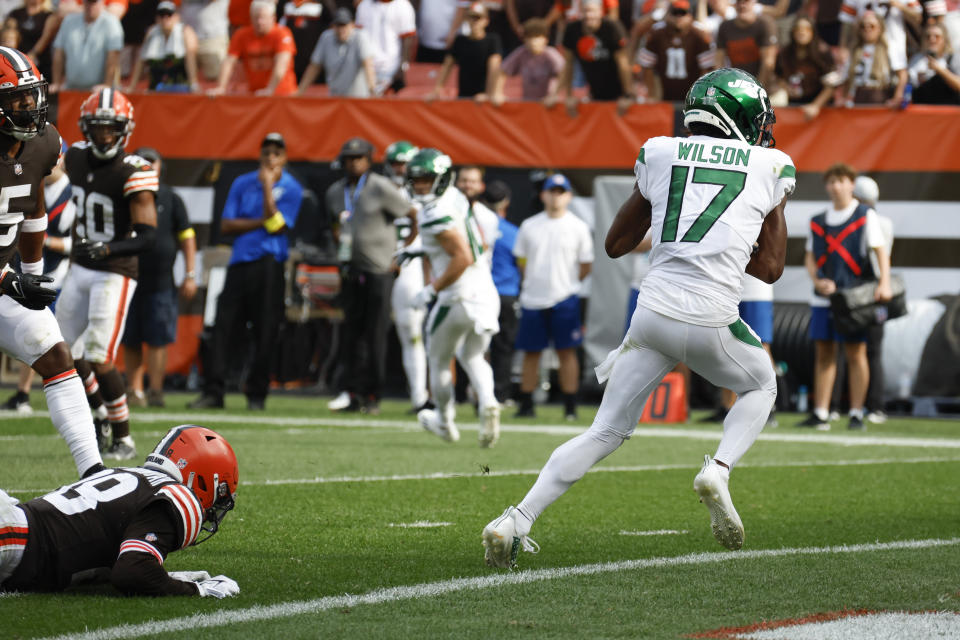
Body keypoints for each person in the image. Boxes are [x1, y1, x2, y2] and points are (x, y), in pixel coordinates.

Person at [482, 68, 795, 568]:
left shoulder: (660, 152)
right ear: (737, 117)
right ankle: (718, 468)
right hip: (713, 317)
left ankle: (516, 519)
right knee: (762, 386)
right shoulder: (771, 166)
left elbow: (616, 244)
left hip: (650, 316)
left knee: (604, 431)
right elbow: (771, 269)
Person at [0, 47, 106, 481]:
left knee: (56, 353)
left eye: (32, 96)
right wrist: (9, 280)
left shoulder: (43, 143)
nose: (30, 107)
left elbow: (33, 208)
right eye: (18, 100)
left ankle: (95, 472)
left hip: (4, 279)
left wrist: (30, 272)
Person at [0, 425, 241, 598]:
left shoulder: (129, 474)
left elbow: (102, 552)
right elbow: (131, 572)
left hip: (14, 523)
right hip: (15, 538)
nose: (213, 511)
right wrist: (198, 590)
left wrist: (163, 576)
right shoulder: (178, 496)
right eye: (218, 497)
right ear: (201, 480)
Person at [57, 88, 158, 463]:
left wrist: (109, 249)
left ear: (124, 130)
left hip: (115, 271)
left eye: (110, 129)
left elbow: (148, 237)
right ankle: (98, 411)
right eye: (97, 129)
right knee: (63, 351)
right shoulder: (76, 158)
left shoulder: (135, 171)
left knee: (100, 356)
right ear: (85, 129)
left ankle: (124, 436)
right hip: (82, 266)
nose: (103, 136)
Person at [189, 132, 302, 411]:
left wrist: (266, 188)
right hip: (240, 261)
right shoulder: (241, 183)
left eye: (277, 152)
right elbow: (226, 225)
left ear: (284, 158)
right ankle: (213, 391)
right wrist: (261, 221)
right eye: (267, 151)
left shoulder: (291, 187)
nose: (271, 157)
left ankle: (256, 394)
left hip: (269, 264)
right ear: (260, 154)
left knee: (266, 330)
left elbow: (278, 226)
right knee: (222, 327)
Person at [403, 148, 501, 448]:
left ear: (442, 178)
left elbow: (462, 256)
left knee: (438, 359)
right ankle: (488, 402)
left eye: (427, 179)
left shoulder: (432, 213)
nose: (420, 185)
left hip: (456, 297)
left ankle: (444, 422)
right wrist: (421, 249)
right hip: (485, 292)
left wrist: (431, 289)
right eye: (416, 179)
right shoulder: (457, 198)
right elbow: (479, 244)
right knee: (473, 356)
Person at [798, 163, 892, 431]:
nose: (835, 187)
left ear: (851, 184)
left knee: (856, 352)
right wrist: (817, 280)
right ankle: (821, 412)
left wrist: (884, 283)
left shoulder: (864, 215)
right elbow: (809, 257)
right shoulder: (817, 220)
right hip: (822, 298)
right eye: (831, 182)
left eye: (840, 181)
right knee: (824, 352)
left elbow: (880, 251)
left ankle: (856, 412)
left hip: (854, 298)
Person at [325, 137, 415, 414]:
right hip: (351, 270)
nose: (353, 163)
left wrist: (401, 253)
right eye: (349, 159)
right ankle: (351, 392)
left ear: (368, 160)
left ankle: (373, 394)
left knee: (375, 335)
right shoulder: (335, 191)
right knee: (351, 334)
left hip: (379, 270)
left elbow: (413, 216)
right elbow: (333, 224)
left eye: (359, 158)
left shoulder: (380, 187)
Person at [2, 139, 76, 415]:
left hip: (54, 272)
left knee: (43, 336)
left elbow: (78, 244)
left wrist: (48, 242)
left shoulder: (73, 195)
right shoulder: (27, 178)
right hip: (18, 265)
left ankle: (24, 392)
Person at [512, 173, 593, 421]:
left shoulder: (577, 227)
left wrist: (567, 285)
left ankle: (570, 407)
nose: (556, 196)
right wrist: (533, 281)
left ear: (568, 196)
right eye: (552, 191)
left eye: (561, 192)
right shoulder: (529, 225)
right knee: (531, 352)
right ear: (543, 195)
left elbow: (585, 264)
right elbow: (521, 260)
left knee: (567, 352)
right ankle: (526, 404)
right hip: (533, 298)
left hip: (564, 298)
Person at [121, 147, 197, 409]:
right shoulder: (125, 193)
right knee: (130, 338)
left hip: (161, 281)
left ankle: (155, 390)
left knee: (157, 339)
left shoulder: (171, 198)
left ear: (160, 166)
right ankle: (134, 390)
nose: (148, 166)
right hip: (128, 278)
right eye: (143, 162)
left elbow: (187, 237)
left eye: (152, 162)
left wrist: (190, 274)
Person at [384, 140, 430, 412]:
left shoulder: (424, 194)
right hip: (381, 264)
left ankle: (419, 397)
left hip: (410, 266)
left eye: (405, 163)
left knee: (412, 330)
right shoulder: (381, 188)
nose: (400, 168)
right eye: (396, 163)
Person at [853, 174, 893, 424]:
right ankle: (875, 406)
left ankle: (839, 405)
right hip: (879, 292)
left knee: (853, 349)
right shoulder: (886, 222)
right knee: (873, 351)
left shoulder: (862, 220)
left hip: (862, 292)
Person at [547, 0, 634, 114]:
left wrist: (628, 95)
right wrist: (566, 95)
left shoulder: (611, 27)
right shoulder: (573, 29)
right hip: (594, 91)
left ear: (600, 12)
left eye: (592, 11)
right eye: (586, 11)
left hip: (618, 90)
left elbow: (623, 63)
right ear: (581, 13)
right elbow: (568, 65)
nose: (589, 15)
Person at [484, 180, 522, 405]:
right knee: (503, 347)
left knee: (473, 347)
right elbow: (522, 264)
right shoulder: (512, 232)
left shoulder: (474, 227)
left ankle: (463, 393)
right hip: (506, 293)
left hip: (479, 293)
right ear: (505, 202)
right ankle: (500, 394)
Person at [210, 0, 298, 96]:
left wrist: (270, 89)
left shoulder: (282, 34)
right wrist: (221, 87)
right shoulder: (242, 34)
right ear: (250, 18)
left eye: (263, 18)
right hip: (255, 94)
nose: (259, 22)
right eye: (256, 18)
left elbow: (281, 64)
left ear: (273, 18)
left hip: (283, 93)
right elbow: (229, 61)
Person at [638, 0, 714, 102]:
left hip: (693, 96)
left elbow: (708, 70)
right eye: (675, 13)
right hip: (664, 95)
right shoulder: (657, 34)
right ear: (668, 15)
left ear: (690, 16)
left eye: (682, 13)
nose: (678, 17)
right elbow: (647, 66)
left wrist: (700, 96)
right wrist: (652, 94)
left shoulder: (699, 35)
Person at [427, 2, 503, 101]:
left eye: (478, 18)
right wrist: (437, 89)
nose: (474, 22)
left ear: (486, 21)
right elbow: (447, 66)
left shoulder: (492, 41)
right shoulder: (460, 41)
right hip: (463, 97)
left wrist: (488, 94)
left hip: (482, 99)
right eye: (471, 18)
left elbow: (494, 68)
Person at [296, 7, 375, 97]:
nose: (341, 29)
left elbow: (368, 63)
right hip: (335, 98)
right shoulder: (326, 37)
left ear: (352, 25)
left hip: (358, 99)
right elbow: (314, 66)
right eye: (338, 25)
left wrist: (372, 90)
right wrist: (300, 91)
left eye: (344, 25)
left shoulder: (360, 37)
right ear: (333, 26)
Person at [774, 15, 840, 119]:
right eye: (798, 29)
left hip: (820, 108)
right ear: (792, 32)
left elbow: (832, 84)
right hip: (794, 105)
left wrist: (816, 106)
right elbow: (778, 75)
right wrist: (786, 87)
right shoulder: (785, 53)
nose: (802, 32)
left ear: (813, 32)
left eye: (806, 29)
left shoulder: (822, 51)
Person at [126, 1, 201, 93]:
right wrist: (132, 86)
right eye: (162, 15)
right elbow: (141, 59)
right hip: (156, 85)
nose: (165, 19)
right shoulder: (152, 33)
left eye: (169, 15)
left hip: (180, 85)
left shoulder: (185, 32)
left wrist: (194, 83)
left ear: (176, 17)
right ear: (157, 18)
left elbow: (191, 57)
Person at [50, 0, 124, 92]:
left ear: (102, 3)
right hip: (71, 89)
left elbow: (113, 56)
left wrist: (106, 85)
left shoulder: (111, 22)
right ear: (83, 2)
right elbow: (58, 52)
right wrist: (56, 82)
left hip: (98, 92)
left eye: (94, 2)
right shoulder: (69, 20)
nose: (90, 6)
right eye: (88, 2)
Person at [840, 11, 907, 106]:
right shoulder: (855, 50)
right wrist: (843, 97)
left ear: (880, 28)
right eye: (863, 26)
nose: (867, 29)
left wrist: (896, 97)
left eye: (872, 26)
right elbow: (847, 78)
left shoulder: (889, 47)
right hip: (858, 96)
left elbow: (902, 75)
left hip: (880, 94)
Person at [493, 17, 565, 103]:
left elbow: (564, 73)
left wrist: (553, 95)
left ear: (545, 39)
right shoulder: (521, 53)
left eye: (537, 37)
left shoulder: (551, 54)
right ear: (524, 40)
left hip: (549, 105)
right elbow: (502, 71)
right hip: (528, 103)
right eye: (530, 37)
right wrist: (497, 93)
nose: (533, 41)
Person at [354, 0, 416, 94]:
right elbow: (358, 36)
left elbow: (407, 38)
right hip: (367, 67)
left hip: (391, 67)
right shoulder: (364, 5)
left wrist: (402, 67)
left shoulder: (403, 5)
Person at [716, 0, 778, 89]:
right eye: (738, 2)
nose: (742, 5)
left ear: (754, 3)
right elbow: (719, 61)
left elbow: (768, 63)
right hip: (737, 89)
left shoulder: (764, 24)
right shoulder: (725, 26)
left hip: (768, 90)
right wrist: (722, 86)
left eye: (746, 1)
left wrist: (757, 91)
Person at [906, 23, 960, 104]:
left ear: (944, 40)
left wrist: (940, 70)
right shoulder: (915, 60)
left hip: (947, 110)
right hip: (922, 110)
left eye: (937, 36)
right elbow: (908, 88)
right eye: (928, 37)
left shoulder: (953, 59)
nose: (932, 40)